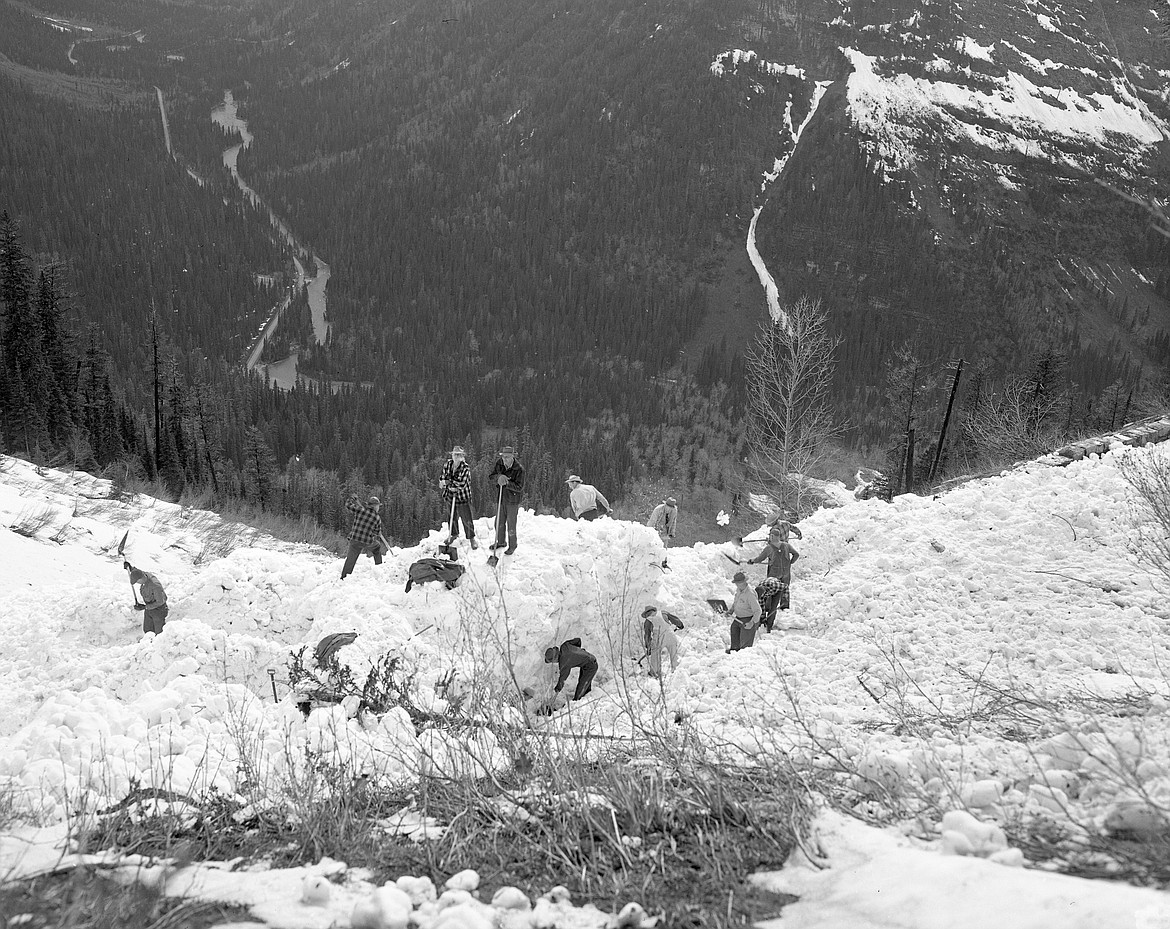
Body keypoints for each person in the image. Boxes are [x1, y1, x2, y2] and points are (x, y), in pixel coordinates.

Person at [747, 527, 800, 625]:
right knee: (781, 591)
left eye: (770, 536)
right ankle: (783, 607)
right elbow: (796, 554)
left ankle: (766, 613)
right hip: (786, 574)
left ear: (772, 536)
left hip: (774, 575)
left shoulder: (769, 548)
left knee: (771, 594)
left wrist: (752, 561)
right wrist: (790, 563)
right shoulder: (786, 545)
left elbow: (759, 559)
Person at [440, 446, 477, 550]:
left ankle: (471, 538)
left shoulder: (465, 468)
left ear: (462, 456)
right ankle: (453, 534)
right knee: (451, 517)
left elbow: (462, 483)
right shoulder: (448, 464)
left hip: (462, 496)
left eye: (459, 454)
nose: (457, 456)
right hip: (449, 496)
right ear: (452, 455)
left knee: (467, 518)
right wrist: (446, 483)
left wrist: (448, 482)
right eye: (455, 454)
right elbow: (442, 478)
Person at [341, 493, 385, 579]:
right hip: (366, 542)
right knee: (377, 548)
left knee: (350, 559)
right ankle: (379, 569)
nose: (378, 508)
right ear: (375, 506)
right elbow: (376, 532)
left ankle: (344, 577)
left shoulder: (360, 510)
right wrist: (376, 532)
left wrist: (352, 498)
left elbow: (348, 505)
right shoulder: (377, 518)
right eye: (378, 506)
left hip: (354, 540)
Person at [489, 446, 524, 554]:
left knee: (511, 524)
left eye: (507, 457)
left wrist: (508, 483)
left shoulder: (519, 469)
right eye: (503, 457)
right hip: (501, 497)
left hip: (512, 500)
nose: (504, 459)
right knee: (498, 522)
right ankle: (500, 542)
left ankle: (512, 545)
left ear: (513, 456)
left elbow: (519, 487)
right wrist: (498, 477)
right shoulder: (499, 463)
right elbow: (492, 476)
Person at [641, 606, 683, 678]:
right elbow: (675, 620)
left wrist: (648, 647)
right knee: (674, 655)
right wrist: (680, 625)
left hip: (659, 639)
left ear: (646, 614)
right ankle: (677, 672)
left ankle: (655, 673)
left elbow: (647, 636)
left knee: (655, 655)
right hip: (671, 636)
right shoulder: (663, 613)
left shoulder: (647, 621)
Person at [126, 564, 168, 635]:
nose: (137, 583)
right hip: (149, 608)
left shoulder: (155, 585)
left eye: (137, 582)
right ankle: (149, 644)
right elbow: (138, 572)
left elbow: (160, 601)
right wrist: (130, 567)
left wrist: (145, 607)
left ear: (141, 579)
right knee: (148, 630)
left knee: (159, 633)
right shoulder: (143, 575)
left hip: (159, 610)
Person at [726, 571, 761, 653]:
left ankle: (743, 655)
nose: (736, 585)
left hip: (748, 619)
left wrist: (751, 623)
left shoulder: (750, 594)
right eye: (736, 583)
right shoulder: (739, 590)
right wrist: (731, 611)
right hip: (738, 618)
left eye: (738, 583)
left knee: (745, 645)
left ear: (744, 582)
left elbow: (758, 611)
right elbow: (736, 602)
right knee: (734, 630)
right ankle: (734, 650)